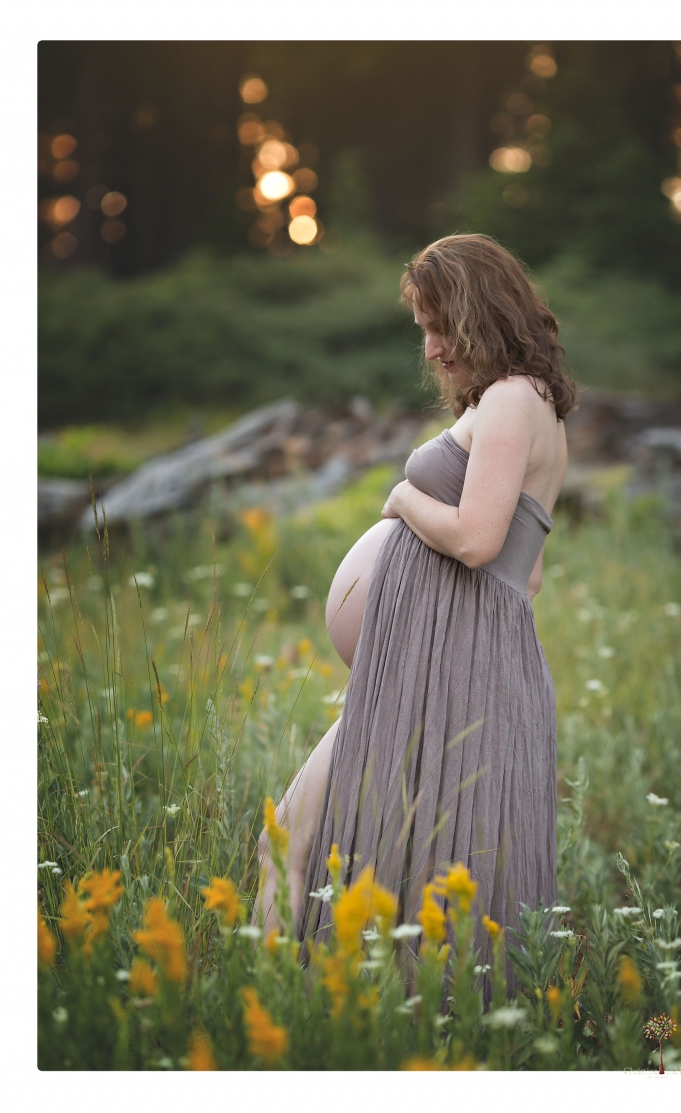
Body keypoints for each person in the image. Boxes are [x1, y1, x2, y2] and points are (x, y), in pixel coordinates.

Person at [254, 234, 575, 994]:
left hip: (435, 672)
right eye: (423, 330)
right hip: (438, 667)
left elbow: (475, 540)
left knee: (292, 840)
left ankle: (270, 1011)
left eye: (440, 327)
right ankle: (326, 1009)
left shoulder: (508, 400)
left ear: (479, 315)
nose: (431, 349)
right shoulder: (538, 410)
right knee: (378, 850)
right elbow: (524, 579)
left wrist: (400, 501)